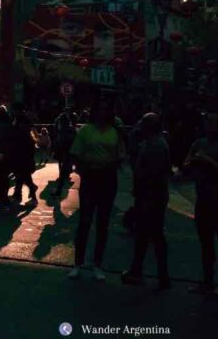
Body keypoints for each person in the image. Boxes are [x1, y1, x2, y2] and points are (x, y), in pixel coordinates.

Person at [67, 100, 123, 281]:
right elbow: (75, 153)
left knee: (102, 223)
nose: (102, 113)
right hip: (90, 178)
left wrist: (108, 165)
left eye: (105, 110)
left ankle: (97, 264)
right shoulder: (85, 131)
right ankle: (78, 263)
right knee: (85, 220)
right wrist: (85, 169)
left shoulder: (115, 132)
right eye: (100, 109)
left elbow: (120, 156)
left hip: (107, 179)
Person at [185, 112, 218, 299]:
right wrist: (192, 163)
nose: (210, 125)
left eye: (214, 122)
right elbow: (186, 164)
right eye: (208, 122)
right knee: (206, 242)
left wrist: (210, 162)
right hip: (203, 200)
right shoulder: (198, 144)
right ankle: (208, 281)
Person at [121, 113, 171, 290]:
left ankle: (160, 276)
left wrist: (145, 194)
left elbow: (153, 174)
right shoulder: (150, 142)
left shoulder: (155, 145)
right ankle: (139, 271)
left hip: (151, 197)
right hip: (149, 196)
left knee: (154, 236)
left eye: (143, 122)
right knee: (145, 236)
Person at [10, 113, 38, 206]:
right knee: (22, 179)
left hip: (21, 160)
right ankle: (19, 196)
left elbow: (15, 147)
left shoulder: (19, 133)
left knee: (23, 179)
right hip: (26, 161)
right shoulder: (28, 135)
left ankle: (24, 196)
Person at [53, 109, 77, 197]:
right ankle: (59, 188)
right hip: (66, 146)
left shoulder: (62, 121)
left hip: (64, 145)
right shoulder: (67, 123)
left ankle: (59, 188)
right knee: (65, 165)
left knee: (63, 165)